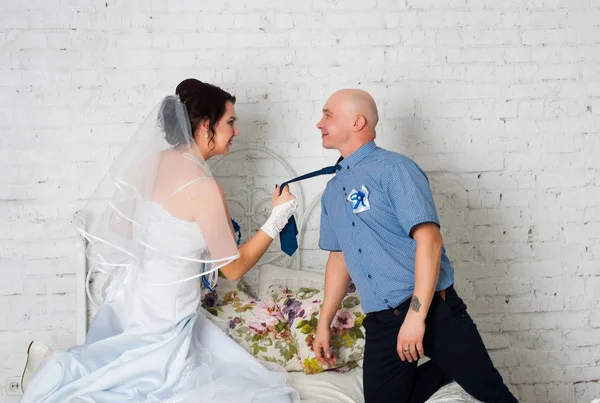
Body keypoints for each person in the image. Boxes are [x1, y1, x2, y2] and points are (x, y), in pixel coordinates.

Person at [19, 79, 300, 403]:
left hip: (132, 297)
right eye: (231, 123)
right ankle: (56, 370)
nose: (236, 132)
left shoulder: (151, 161)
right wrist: (277, 217)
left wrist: (177, 245)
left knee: (118, 366)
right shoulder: (205, 187)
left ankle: (56, 369)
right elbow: (234, 269)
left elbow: (121, 225)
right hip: (167, 310)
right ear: (206, 125)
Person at [311, 89, 519, 403]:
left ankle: (458, 360)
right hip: (382, 322)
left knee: (494, 397)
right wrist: (323, 323)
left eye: (328, 114)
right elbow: (340, 258)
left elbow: (430, 241)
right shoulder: (332, 190)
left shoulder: (395, 169)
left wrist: (415, 317)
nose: (319, 123)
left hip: (433, 310)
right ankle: (448, 367)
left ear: (357, 122)